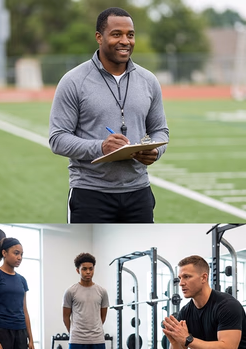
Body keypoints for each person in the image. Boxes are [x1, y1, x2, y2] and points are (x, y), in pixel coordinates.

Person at [49, 7, 169, 223]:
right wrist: (101, 147)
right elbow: (57, 139)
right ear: (99, 37)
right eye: (117, 34)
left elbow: (160, 130)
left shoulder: (148, 80)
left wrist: (155, 150)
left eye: (130, 35)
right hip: (90, 194)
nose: (125, 41)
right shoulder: (74, 80)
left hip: (139, 192)